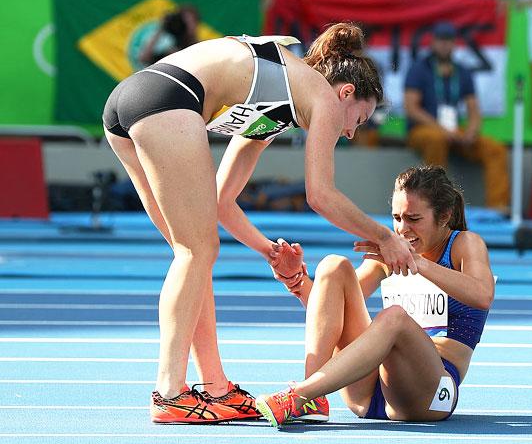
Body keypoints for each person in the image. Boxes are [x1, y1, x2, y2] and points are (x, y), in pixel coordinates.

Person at [102, 22, 417, 424]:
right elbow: (320, 195)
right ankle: (168, 393)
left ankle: (216, 388)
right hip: (167, 97)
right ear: (346, 93)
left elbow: (222, 200)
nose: (352, 131)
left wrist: (268, 250)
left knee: (195, 259)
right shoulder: (321, 96)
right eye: (361, 117)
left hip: (131, 101)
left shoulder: (276, 107)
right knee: (195, 251)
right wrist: (384, 237)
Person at [256, 165, 494, 427]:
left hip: (431, 393)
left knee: (395, 318)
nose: (402, 229)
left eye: (414, 219)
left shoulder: (464, 244)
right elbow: (330, 310)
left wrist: (417, 263)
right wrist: (296, 280)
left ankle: (300, 394)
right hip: (369, 391)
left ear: (445, 215)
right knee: (333, 266)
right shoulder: (389, 253)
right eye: (396, 217)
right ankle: (313, 398)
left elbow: (482, 295)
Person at [404, 22, 510, 212]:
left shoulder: (462, 71)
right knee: (436, 140)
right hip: (425, 131)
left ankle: (498, 208)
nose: (445, 45)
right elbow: (412, 109)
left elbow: (474, 109)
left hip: (453, 131)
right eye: (441, 41)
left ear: (455, 44)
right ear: (433, 43)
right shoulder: (419, 68)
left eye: (449, 41)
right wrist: (442, 130)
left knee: (495, 149)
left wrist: (471, 130)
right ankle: (435, 206)